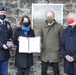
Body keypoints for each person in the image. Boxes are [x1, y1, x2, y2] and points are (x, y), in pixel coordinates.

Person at [40, 11, 63, 75]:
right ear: (46, 17)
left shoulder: (59, 27)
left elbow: (62, 39)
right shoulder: (43, 27)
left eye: (50, 16)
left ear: (54, 17)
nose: (49, 17)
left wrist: (57, 48)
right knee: (43, 71)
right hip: (45, 53)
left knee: (56, 71)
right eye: (48, 16)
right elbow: (41, 39)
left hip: (55, 53)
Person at [0, 6, 13, 75]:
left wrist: (10, 43)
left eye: (4, 13)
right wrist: (2, 45)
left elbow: (10, 35)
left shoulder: (7, 24)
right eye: (1, 12)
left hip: (5, 54)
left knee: (4, 73)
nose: (3, 14)